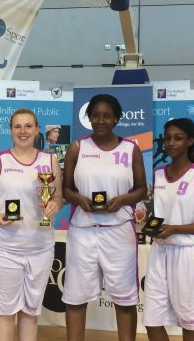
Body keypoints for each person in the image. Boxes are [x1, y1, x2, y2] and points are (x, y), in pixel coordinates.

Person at [62, 94, 147, 341]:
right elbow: (67, 189)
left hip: (118, 232)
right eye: (96, 115)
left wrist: (122, 200)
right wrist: (81, 201)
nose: (101, 120)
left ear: (116, 119)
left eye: (107, 115)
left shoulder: (131, 149)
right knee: (75, 298)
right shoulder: (77, 147)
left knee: (125, 299)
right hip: (83, 231)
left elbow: (141, 188)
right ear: (89, 118)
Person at [0, 109, 63, 341]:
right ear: (10, 130)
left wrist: (55, 204)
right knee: (5, 314)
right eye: (17, 126)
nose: (23, 131)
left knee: (30, 313)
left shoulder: (50, 160)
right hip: (4, 249)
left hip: (41, 249)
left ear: (36, 129)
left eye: (28, 126)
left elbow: (58, 197)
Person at [143, 118, 194, 341]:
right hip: (160, 251)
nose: (171, 143)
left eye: (177, 138)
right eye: (167, 138)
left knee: (190, 321)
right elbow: (154, 214)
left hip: (188, 254)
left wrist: (175, 228)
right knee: (152, 321)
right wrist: (149, 225)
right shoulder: (157, 174)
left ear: (190, 141)